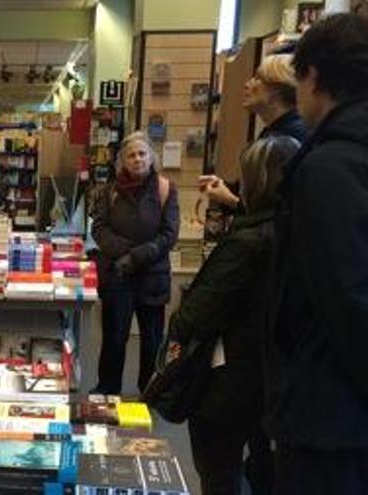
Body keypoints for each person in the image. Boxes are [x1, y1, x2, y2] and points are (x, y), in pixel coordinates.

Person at [265, 14, 368, 494]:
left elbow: (349, 296)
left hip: (326, 405)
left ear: (313, 77)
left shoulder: (331, 166)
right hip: (354, 406)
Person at [173, 136, 300, 495]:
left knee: (219, 472)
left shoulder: (247, 242)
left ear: (254, 181)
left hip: (228, 377)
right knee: (264, 466)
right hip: (277, 376)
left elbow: (193, 315)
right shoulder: (300, 231)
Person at [92, 131, 179, 395]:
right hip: (119, 273)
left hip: (153, 275)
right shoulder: (110, 192)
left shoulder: (166, 189)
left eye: (142, 154)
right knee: (114, 337)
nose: (137, 159)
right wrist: (125, 253)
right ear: (122, 161)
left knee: (152, 339)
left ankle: (149, 390)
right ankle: (108, 389)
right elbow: (99, 228)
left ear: (151, 157)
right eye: (131, 155)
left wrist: (139, 255)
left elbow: (169, 234)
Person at [199, 54, 308, 209]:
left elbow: (275, 213)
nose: (247, 84)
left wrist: (231, 201)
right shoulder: (277, 130)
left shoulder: (289, 140)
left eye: (257, 79)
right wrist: (226, 188)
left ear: (275, 93)